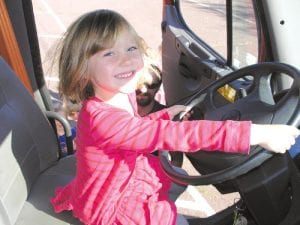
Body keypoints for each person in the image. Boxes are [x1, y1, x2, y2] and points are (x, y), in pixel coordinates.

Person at [50, 9, 300, 225]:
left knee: (167, 175)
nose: (126, 60)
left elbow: (133, 130)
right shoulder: (99, 118)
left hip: (116, 184)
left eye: (131, 48)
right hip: (111, 209)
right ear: (83, 71)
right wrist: (254, 133)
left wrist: (165, 115)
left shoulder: (115, 97)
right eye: (109, 54)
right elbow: (169, 135)